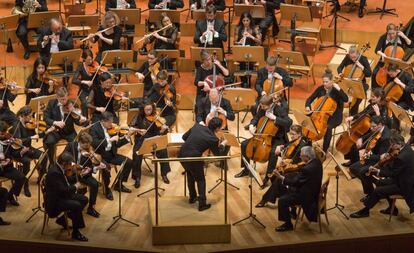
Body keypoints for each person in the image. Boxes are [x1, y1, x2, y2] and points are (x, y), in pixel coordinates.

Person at [350, 131, 414, 218]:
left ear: (398, 144)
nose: (390, 147)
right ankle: (392, 208)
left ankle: (365, 211)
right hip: (401, 178)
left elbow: (392, 173)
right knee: (379, 183)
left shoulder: (401, 158)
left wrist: (377, 171)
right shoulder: (406, 147)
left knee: (378, 190)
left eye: (392, 145)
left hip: (404, 185)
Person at [234, 94, 292, 188]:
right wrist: (252, 125)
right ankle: (246, 169)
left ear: (270, 105)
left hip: (277, 137)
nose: (261, 107)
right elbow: (256, 118)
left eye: (263, 106)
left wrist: (275, 118)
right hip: (262, 136)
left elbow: (289, 122)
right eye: (261, 105)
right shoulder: (262, 108)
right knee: (244, 144)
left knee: (273, 153)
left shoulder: (279, 110)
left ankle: (268, 176)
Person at [255, 125, 311, 208]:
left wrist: (289, 162)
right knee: (273, 177)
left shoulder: (303, 145)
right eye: (290, 134)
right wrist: (281, 147)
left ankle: (265, 199)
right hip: (290, 166)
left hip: (297, 170)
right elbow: (288, 145)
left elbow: (303, 162)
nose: (291, 136)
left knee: (277, 179)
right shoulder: (294, 140)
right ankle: (284, 196)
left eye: (293, 134)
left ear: (299, 134)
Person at [179, 117, 228, 211]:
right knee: (200, 179)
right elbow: (218, 154)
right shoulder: (213, 139)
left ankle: (192, 197)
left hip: (182, 154)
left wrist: (194, 144)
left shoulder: (197, 126)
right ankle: (202, 204)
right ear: (217, 128)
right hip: (194, 158)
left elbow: (184, 137)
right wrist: (222, 144)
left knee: (190, 174)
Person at [273, 146, 323, 232]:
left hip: (306, 196)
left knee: (282, 200)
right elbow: (302, 177)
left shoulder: (307, 169)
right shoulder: (317, 162)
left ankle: (288, 224)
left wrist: (281, 177)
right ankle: (292, 211)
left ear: (307, 157)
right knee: (284, 185)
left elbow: (296, 182)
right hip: (312, 188)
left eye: (301, 156)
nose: (300, 157)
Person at [64, 132, 113, 218]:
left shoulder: (89, 150)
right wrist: (75, 166)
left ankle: (91, 208)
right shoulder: (70, 146)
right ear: (79, 142)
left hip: (83, 173)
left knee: (95, 184)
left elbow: (90, 166)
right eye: (85, 146)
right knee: (74, 186)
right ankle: (71, 204)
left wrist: (93, 169)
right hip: (70, 173)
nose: (87, 148)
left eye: (88, 145)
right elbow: (64, 159)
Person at [44, 152, 88, 241]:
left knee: (84, 199)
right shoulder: (54, 173)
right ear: (64, 164)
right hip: (55, 201)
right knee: (76, 205)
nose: (71, 166)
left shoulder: (59, 168)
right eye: (70, 164)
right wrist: (75, 186)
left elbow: (66, 182)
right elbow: (62, 191)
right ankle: (76, 233)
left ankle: (63, 220)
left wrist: (79, 174)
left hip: (61, 195)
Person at [341, 88, 392, 167]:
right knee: (352, 142)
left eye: (373, 96)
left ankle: (355, 164)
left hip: (375, 132)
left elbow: (384, 124)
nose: (371, 98)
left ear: (379, 98)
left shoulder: (384, 108)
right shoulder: (372, 104)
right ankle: (353, 161)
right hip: (366, 128)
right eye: (371, 96)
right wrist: (352, 117)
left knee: (354, 144)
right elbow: (363, 112)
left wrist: (378, 113)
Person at [10, 106, 51, 197]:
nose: (31, 118)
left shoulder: (29, 124)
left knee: (44, 156)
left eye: (31, 116)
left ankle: (41, 177)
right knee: (27, 163)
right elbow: (18, 141)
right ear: (22, 116)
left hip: (28, 148)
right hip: (18, 151)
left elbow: (36, 136)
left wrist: (45, 132)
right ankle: (25, 183)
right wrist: (30, 138)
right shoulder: (16, 125)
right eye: (29, 116)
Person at [129, 99, 172, 188]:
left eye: (150, 109)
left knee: (163, 151)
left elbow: (160, 134)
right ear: (143, 109)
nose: (149, 112)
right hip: (141, 140)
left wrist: (163, 130)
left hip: (153, 140)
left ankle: (164, 174)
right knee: (136, 154)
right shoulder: (138, 116)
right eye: (146, 110)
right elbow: (131, 127)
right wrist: (139, 130)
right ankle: (137, 177)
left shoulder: (156, 118)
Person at [305, 69, 348, 152]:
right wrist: (307, 106)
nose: (324, 84)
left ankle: (324, 150)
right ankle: (308, 146)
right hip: (320, 113)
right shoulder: (321, 89)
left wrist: (339, 88)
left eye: (327, 82)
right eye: (323, 82)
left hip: (334, 116)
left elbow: (345, 99)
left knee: (328, 128)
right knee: (308, 122)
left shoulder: (336, 90)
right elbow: (310, 98)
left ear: (332, 81)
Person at [89, 112, 133, 193]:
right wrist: (109, 140)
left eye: (111, 121)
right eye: (109, 122)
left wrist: (127, 137)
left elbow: (118, 144)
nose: (111, 123)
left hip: (111, 154)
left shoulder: (113, 128)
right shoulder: (94, 128)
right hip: (100, 156)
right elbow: (94, 143)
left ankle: (119, 184)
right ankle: (107, 189)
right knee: (105, 168)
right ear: (102, 121)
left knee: (129, 162)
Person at [349, 116, 391, 199]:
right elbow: (370, 134)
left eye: (373, 127)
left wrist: (367, 156)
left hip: (381, 162)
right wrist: (361, 138)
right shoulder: (378, 129)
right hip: (373, 156)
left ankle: (372, 192)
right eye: (370, 126)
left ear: (380, 125)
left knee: (362, 172)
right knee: (353, 168)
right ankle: (372, 187)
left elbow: (382, 157)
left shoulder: (385, 137)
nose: (371, 129)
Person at [43, 87, 88, 161]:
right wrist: (55, 122)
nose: (64, 101)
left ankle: (68, 160)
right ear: (57, 97)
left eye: (66, 98)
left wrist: (81, 120)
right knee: (49, 142)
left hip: (69, 132)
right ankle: (52, 162)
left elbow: (77, 122)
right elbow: (46, 118)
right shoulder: (51, 103)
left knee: (76, 144)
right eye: (62, 99)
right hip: (55, 131)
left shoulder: (72, 104)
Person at [371, 23, 412, 89]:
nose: (392, 35)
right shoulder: (383, 37)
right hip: (385, 60)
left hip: (397, 63)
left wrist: (404, 36)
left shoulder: (400, 37)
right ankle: (375, 91)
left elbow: (411, 45)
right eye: (389, 33)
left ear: (396, 31)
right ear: (387, 32)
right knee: (374, 73)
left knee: (400, 76)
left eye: (393, 33)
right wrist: (383, 54)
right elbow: (377, 50)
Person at [337, 45, 372, 116]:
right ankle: (339, 112)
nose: (353, 59)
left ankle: (353, 113)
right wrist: (340, 73)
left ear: (358, 54)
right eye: (351, 57)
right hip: (347, 81)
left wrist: (362, 67)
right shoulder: (347, 57)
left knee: (359, 94)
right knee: (338, 91)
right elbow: (339, 67)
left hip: (360, 82)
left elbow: (369, 74)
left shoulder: (363, 59)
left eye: (354, 57)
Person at [0, 120, 26, 206]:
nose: (4, 135)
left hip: (7, 167)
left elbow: (13, 154)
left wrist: (21, 152)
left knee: (21, 177)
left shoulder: (9, 140)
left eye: (5, 133)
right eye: (1, 133)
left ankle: (9, 196)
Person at [233, 12, 262, 88]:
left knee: (250, 61)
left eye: (247, 20)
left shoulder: (255, 28)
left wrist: (251, 36)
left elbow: (260, 42)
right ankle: (244, 80)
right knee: (242, 61)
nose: (245, 23)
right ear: (241, 21)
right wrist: (239, 42)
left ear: (250, 20)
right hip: (241, 51)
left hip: (252, 52)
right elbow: (234, 43)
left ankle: (248, 78)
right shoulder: (238, 28)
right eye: (243, 21)